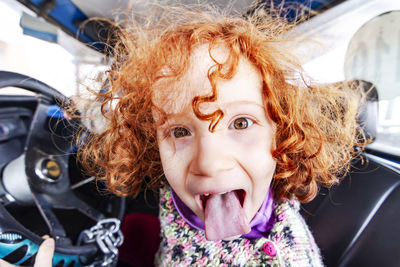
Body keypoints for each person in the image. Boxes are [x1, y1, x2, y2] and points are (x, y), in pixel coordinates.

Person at [2, 4, 365, 266]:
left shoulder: (287, 259)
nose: (207, 163)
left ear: (281, 134)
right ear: (151, 143)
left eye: (240, 123)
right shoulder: (193, 190)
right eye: (179, 131)